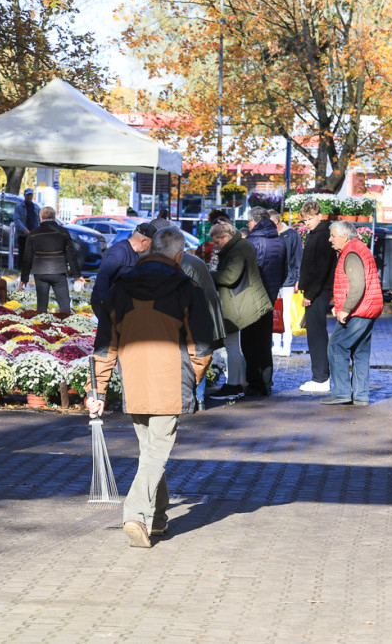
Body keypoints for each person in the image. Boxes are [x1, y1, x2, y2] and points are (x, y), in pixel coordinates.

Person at [88, 226, 214, 548]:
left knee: (150, 453)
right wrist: (193, 377)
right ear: (179, 255)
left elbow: (105, 345)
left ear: (148, 250)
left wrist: (96, 391)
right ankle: (135, 514)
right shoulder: (188, 288)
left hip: (135, 381)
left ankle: (157, 521)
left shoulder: (120, 288)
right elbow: (201, 346)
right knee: (156, 453)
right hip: (171, 382)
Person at [152, 218, 225, 410]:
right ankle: (199, 399)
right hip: (206, 313)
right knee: (198, 351)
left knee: (192, 352)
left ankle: (194, 397)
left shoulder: (181, 263)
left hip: (194, 316)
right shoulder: (194, 261)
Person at [208, 222, 272, 401]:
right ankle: (235, 384)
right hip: (242, 302)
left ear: (225, 237)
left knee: (233, 346)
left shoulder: (237, 249)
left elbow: (229, 277)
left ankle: (233, 385)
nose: (216, 246)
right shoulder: (240, 245)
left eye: (217, 242)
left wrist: (207, 274)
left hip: (239, 304)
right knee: (239, 346)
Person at [321, 221, 383, 406]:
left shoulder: (352, 252)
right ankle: (361, 396)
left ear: (344, 237)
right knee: (361, 352)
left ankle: (342, 393)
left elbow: (357, 286)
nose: (330, 239)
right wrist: (339, 305)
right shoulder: (357, 249)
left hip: (359, 310)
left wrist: (345, 309)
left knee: (336, 346)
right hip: (367, 308)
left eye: (333, 235)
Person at [242, 207, 286, 395]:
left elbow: (244, 271)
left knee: (250, 341)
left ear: (254, 222)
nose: (248, 226)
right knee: (264, 340)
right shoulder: (280, 241)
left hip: (252, 297)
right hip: (271, 295)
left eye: (249, 222)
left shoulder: (251, 242)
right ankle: (266, 381)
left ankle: (255, 382)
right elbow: (284, 271)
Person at [296, 200, 336, 393]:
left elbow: (320, 268)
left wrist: (310, 294)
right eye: (305, 220)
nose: (307, 223)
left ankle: (320, 378)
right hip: (316, 290)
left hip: (317, 292)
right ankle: (320, 376)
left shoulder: (321, 236)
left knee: (316, 334)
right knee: (315, 333)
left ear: (320, 216)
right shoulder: (317, 234)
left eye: (310, 219)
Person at [19, 206, 86, 313]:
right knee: (64, 305)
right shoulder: (63, 232)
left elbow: (27, 257)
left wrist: (24, 278)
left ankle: (40, 326)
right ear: (54, 217)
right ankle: (66, 327)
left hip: (40, 272)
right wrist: (77, 275)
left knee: (41, 306)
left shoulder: (33, 233)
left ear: (40, 217)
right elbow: (71, 255)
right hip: (59, 271)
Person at [90, 222, 157, 316]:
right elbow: (102, 276)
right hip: (107, 304)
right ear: (143, 241)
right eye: (150, 244)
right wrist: (107, 304)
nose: (149, 247)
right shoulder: (119, 251)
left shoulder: (134, 253)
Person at [269, 209, 303, 356]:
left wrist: (298, 279)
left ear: (276, 222)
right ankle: (276, 345)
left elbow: (298, 258)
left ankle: (286, 346)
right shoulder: (271, 234)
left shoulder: (292, 235)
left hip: (288, 280)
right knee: (275, 313)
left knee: (286, 314)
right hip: (274, 280)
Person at [13, 189, 40, 265]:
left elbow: (39, 220)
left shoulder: (36, 207)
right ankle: (20, 270)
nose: (29, 197)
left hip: (33, 235)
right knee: (22, 253)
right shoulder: (19, 207)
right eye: (28, 195)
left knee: (32, 254)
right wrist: (25, 230)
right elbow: (16, 220)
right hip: (23, 235)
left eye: (30, 195)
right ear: (24, 195)